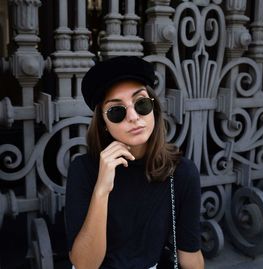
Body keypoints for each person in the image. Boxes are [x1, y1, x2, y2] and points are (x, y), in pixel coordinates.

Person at [65, 56, 205, 269]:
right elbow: (84, 265)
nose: (132, 116)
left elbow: (189, 255)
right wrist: (102, 190)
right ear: (103, 123)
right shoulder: (83, 169)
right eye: (116, 111)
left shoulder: (181, 172)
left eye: (140, 104)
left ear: (153, 109)